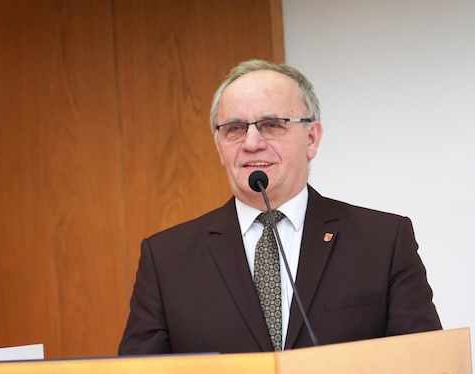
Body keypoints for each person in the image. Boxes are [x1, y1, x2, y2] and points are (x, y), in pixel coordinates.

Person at [118, 59, 441, 355]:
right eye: (235, 128)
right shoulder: (166, 258)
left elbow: (424, 366)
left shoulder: (383, 241)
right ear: (219, 148)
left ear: (311, 138)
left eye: (272, 125)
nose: (251, 143)